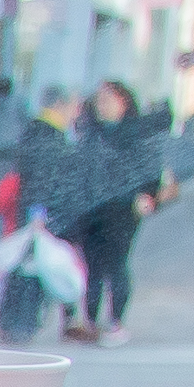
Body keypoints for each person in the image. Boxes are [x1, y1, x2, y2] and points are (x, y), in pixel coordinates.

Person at [57, 78, 168, 343]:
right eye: (99, 101)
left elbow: (150, 168)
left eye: (108, 100)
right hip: (91, 207)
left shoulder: (136, 132)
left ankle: (116, 321)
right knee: (92, 265)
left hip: (122, 207)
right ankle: (91, 321)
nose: (102, 106)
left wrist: (148, 195)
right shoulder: (88, 131)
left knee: (116, 262)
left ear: (124, 102)